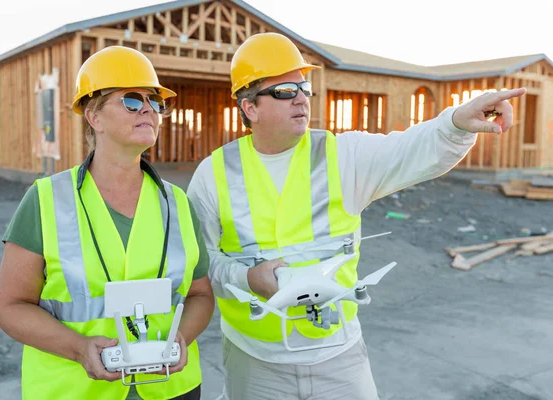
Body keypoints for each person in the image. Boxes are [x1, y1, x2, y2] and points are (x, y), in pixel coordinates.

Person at [186, 32, 526, 400]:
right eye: (285, 91)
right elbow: (200, 270)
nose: (301, 98)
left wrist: (457, 121)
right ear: (249, 107)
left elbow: (412, 149)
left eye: (304, 87)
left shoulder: (342, 155)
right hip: (255, 362)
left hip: (338, 357)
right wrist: (247, 278)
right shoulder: (214, 174)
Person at [0, 46, 215, 400]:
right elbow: (11, 306)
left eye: (154, 102)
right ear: (94, 117)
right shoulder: (46, 199)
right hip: (74, 390)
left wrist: (182, 336)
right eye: (131, 100)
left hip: (172, 388)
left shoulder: (178, 204)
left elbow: (200, 295)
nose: (148, 109)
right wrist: (78, 347)